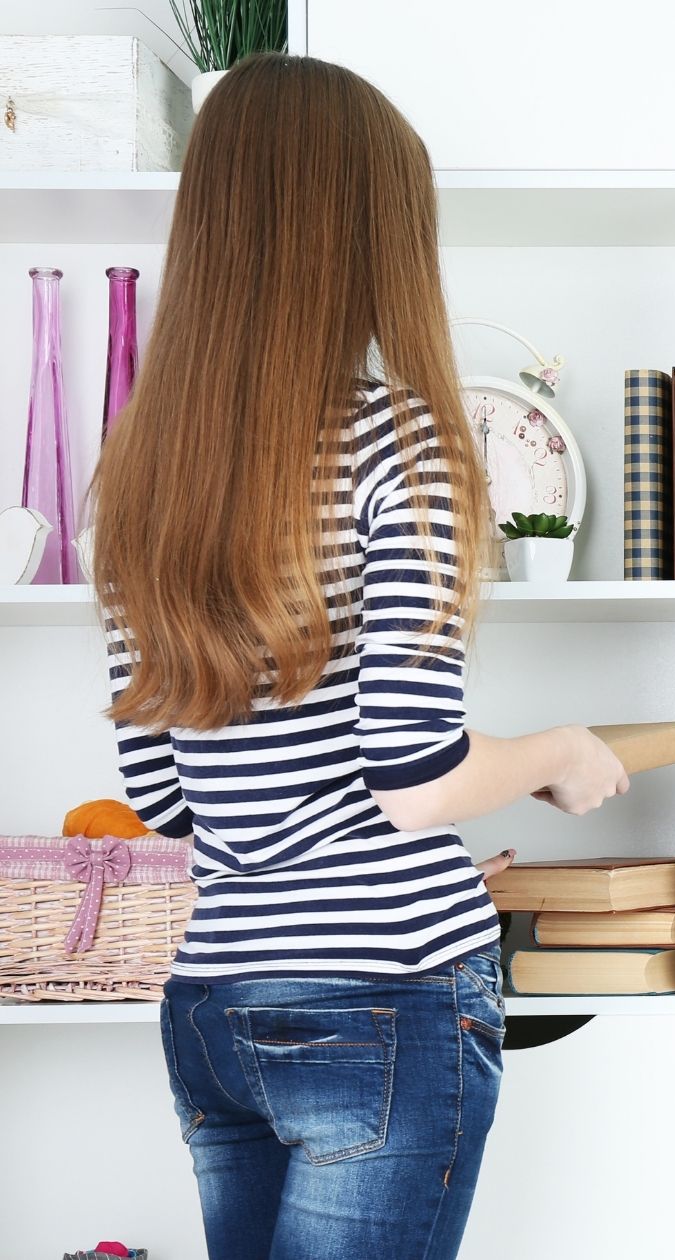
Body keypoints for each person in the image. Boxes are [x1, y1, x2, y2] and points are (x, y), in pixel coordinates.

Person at [88, 53, 629, 1260]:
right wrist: (556, 752)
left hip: (214, 1004)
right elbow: (414, 769)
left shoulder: (139, 474)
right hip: (382, 995)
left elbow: (165, 799)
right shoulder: (408, 446)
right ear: (367, 236)